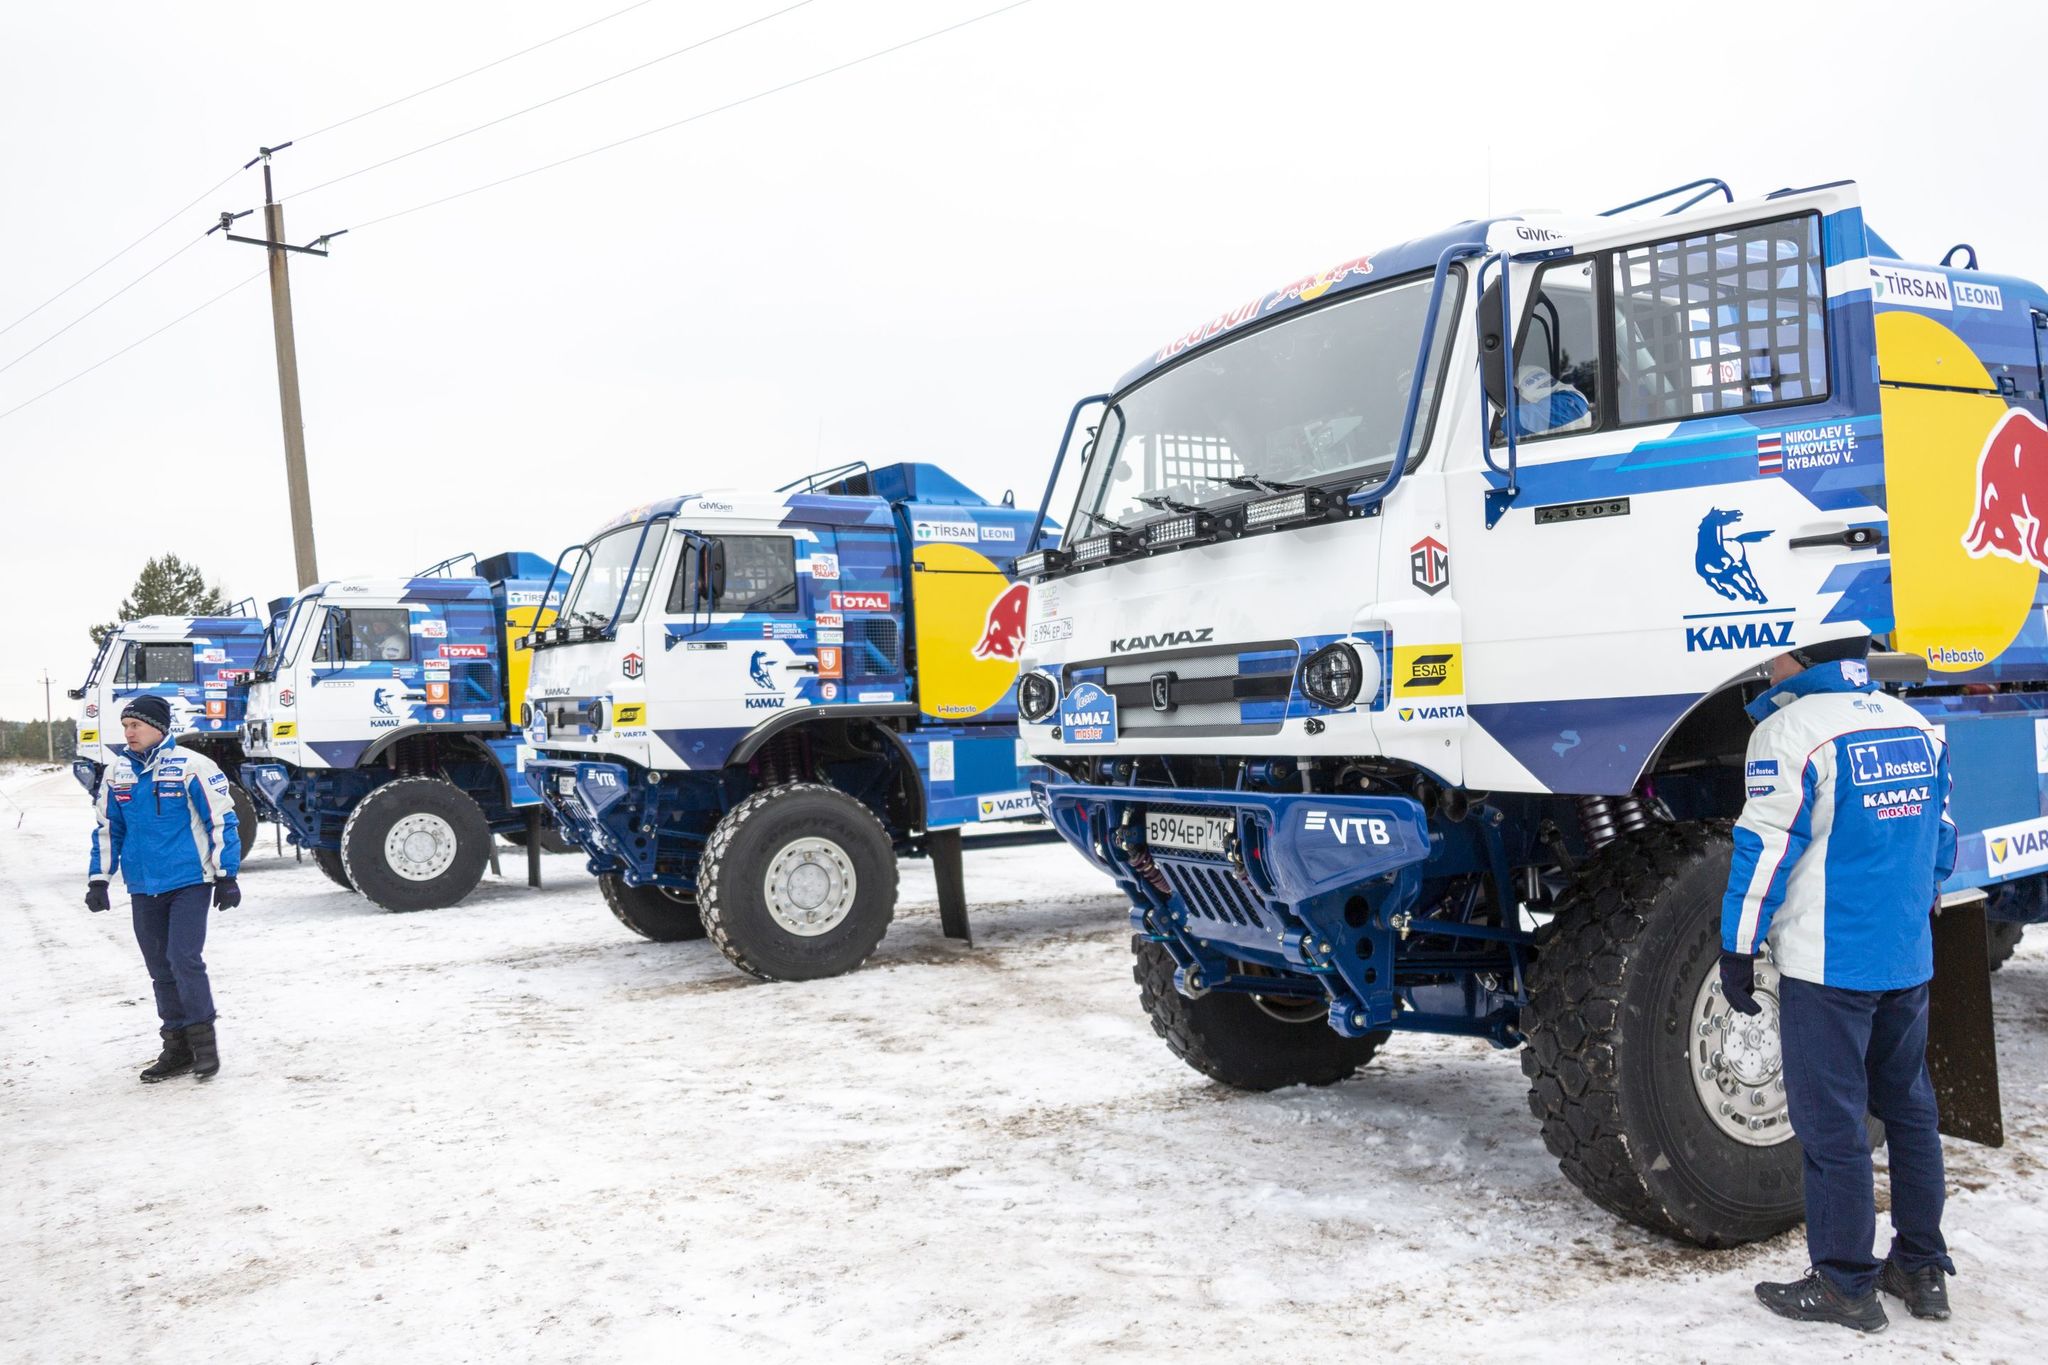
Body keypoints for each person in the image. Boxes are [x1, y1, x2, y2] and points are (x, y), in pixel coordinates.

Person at [1721, 636, 1958, 1332]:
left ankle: (1843, 1282)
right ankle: (1920, 1266)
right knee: (1910, 1108)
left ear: (1804, 661)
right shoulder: (1912, 723)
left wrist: (1737, 947)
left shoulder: (1789, 730)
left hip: (1829, 962)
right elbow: (1941, 833)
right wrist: (1917, 904)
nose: (1769, 665)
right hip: (1905, 952)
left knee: (1832, 1125)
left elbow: (1765, 847)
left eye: (1779, 654)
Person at [85, 693, 242, 1083]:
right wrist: (99, 879)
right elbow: (109, 830)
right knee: (160, 967)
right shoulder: (117, 773)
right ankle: (177, 1048)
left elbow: (221, 821)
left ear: (157, 727)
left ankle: (205, 1046)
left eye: (135, 725)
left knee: (183, 958)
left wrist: (227, 875)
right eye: (124, 726)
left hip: (189, 881)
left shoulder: (192, 766)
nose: (128, 732)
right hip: (143, 886)